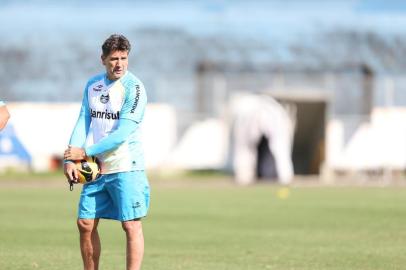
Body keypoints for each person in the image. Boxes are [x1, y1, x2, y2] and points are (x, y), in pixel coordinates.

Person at [63, 34, 150, 270]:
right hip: (96, 168)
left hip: (127, 166)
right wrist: (71, 158)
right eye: (113, 59)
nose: (119, 64)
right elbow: (83, 121)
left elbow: (122, 134)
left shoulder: (135, 89)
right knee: (85, 223)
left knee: (131, 225)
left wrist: (84, 151)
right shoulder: (93, 85)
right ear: (103, 59)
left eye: (123, 58)